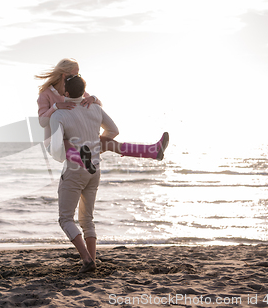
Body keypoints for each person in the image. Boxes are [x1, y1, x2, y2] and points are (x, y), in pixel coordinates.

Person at [36, 58, 169, 172]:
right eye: (76, 74)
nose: (79, 77)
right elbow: (42, 122)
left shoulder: (73, 88)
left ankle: (152, 151)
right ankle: (84, 161)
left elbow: (98, 105)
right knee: (66, 143)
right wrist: (55, 107)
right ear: (65, 75)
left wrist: (93, 98)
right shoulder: (46, 94)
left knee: (108, 142)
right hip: (55, 143)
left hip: (79, 141)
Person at [49, 75, 118, 273]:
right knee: (87, 219)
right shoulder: (94, 107)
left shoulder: (58, 115)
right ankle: (92, 260)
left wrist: (63, 153)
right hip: (94, 168)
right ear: (83, 90)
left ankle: (87, 260)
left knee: (65, 219)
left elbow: (56, 149)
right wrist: (96, 147)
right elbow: (114, 130)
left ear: (66, 93)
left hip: (74, 169)